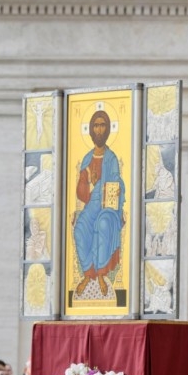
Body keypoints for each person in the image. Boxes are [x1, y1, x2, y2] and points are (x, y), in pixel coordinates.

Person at [72, 110, 126, 298]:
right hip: (92, 204)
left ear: (108, 129)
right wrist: (88, 182)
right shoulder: (87, 159)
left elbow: (116, 183)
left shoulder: (111, 158)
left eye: (103, 125)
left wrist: (116, 192)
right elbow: (81, 194)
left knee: (101, 225)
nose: (99, 129)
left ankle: (101, 274)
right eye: (96, 125)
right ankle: (89, 274)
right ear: (92, 130)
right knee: (79, 228)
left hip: (108, 206)